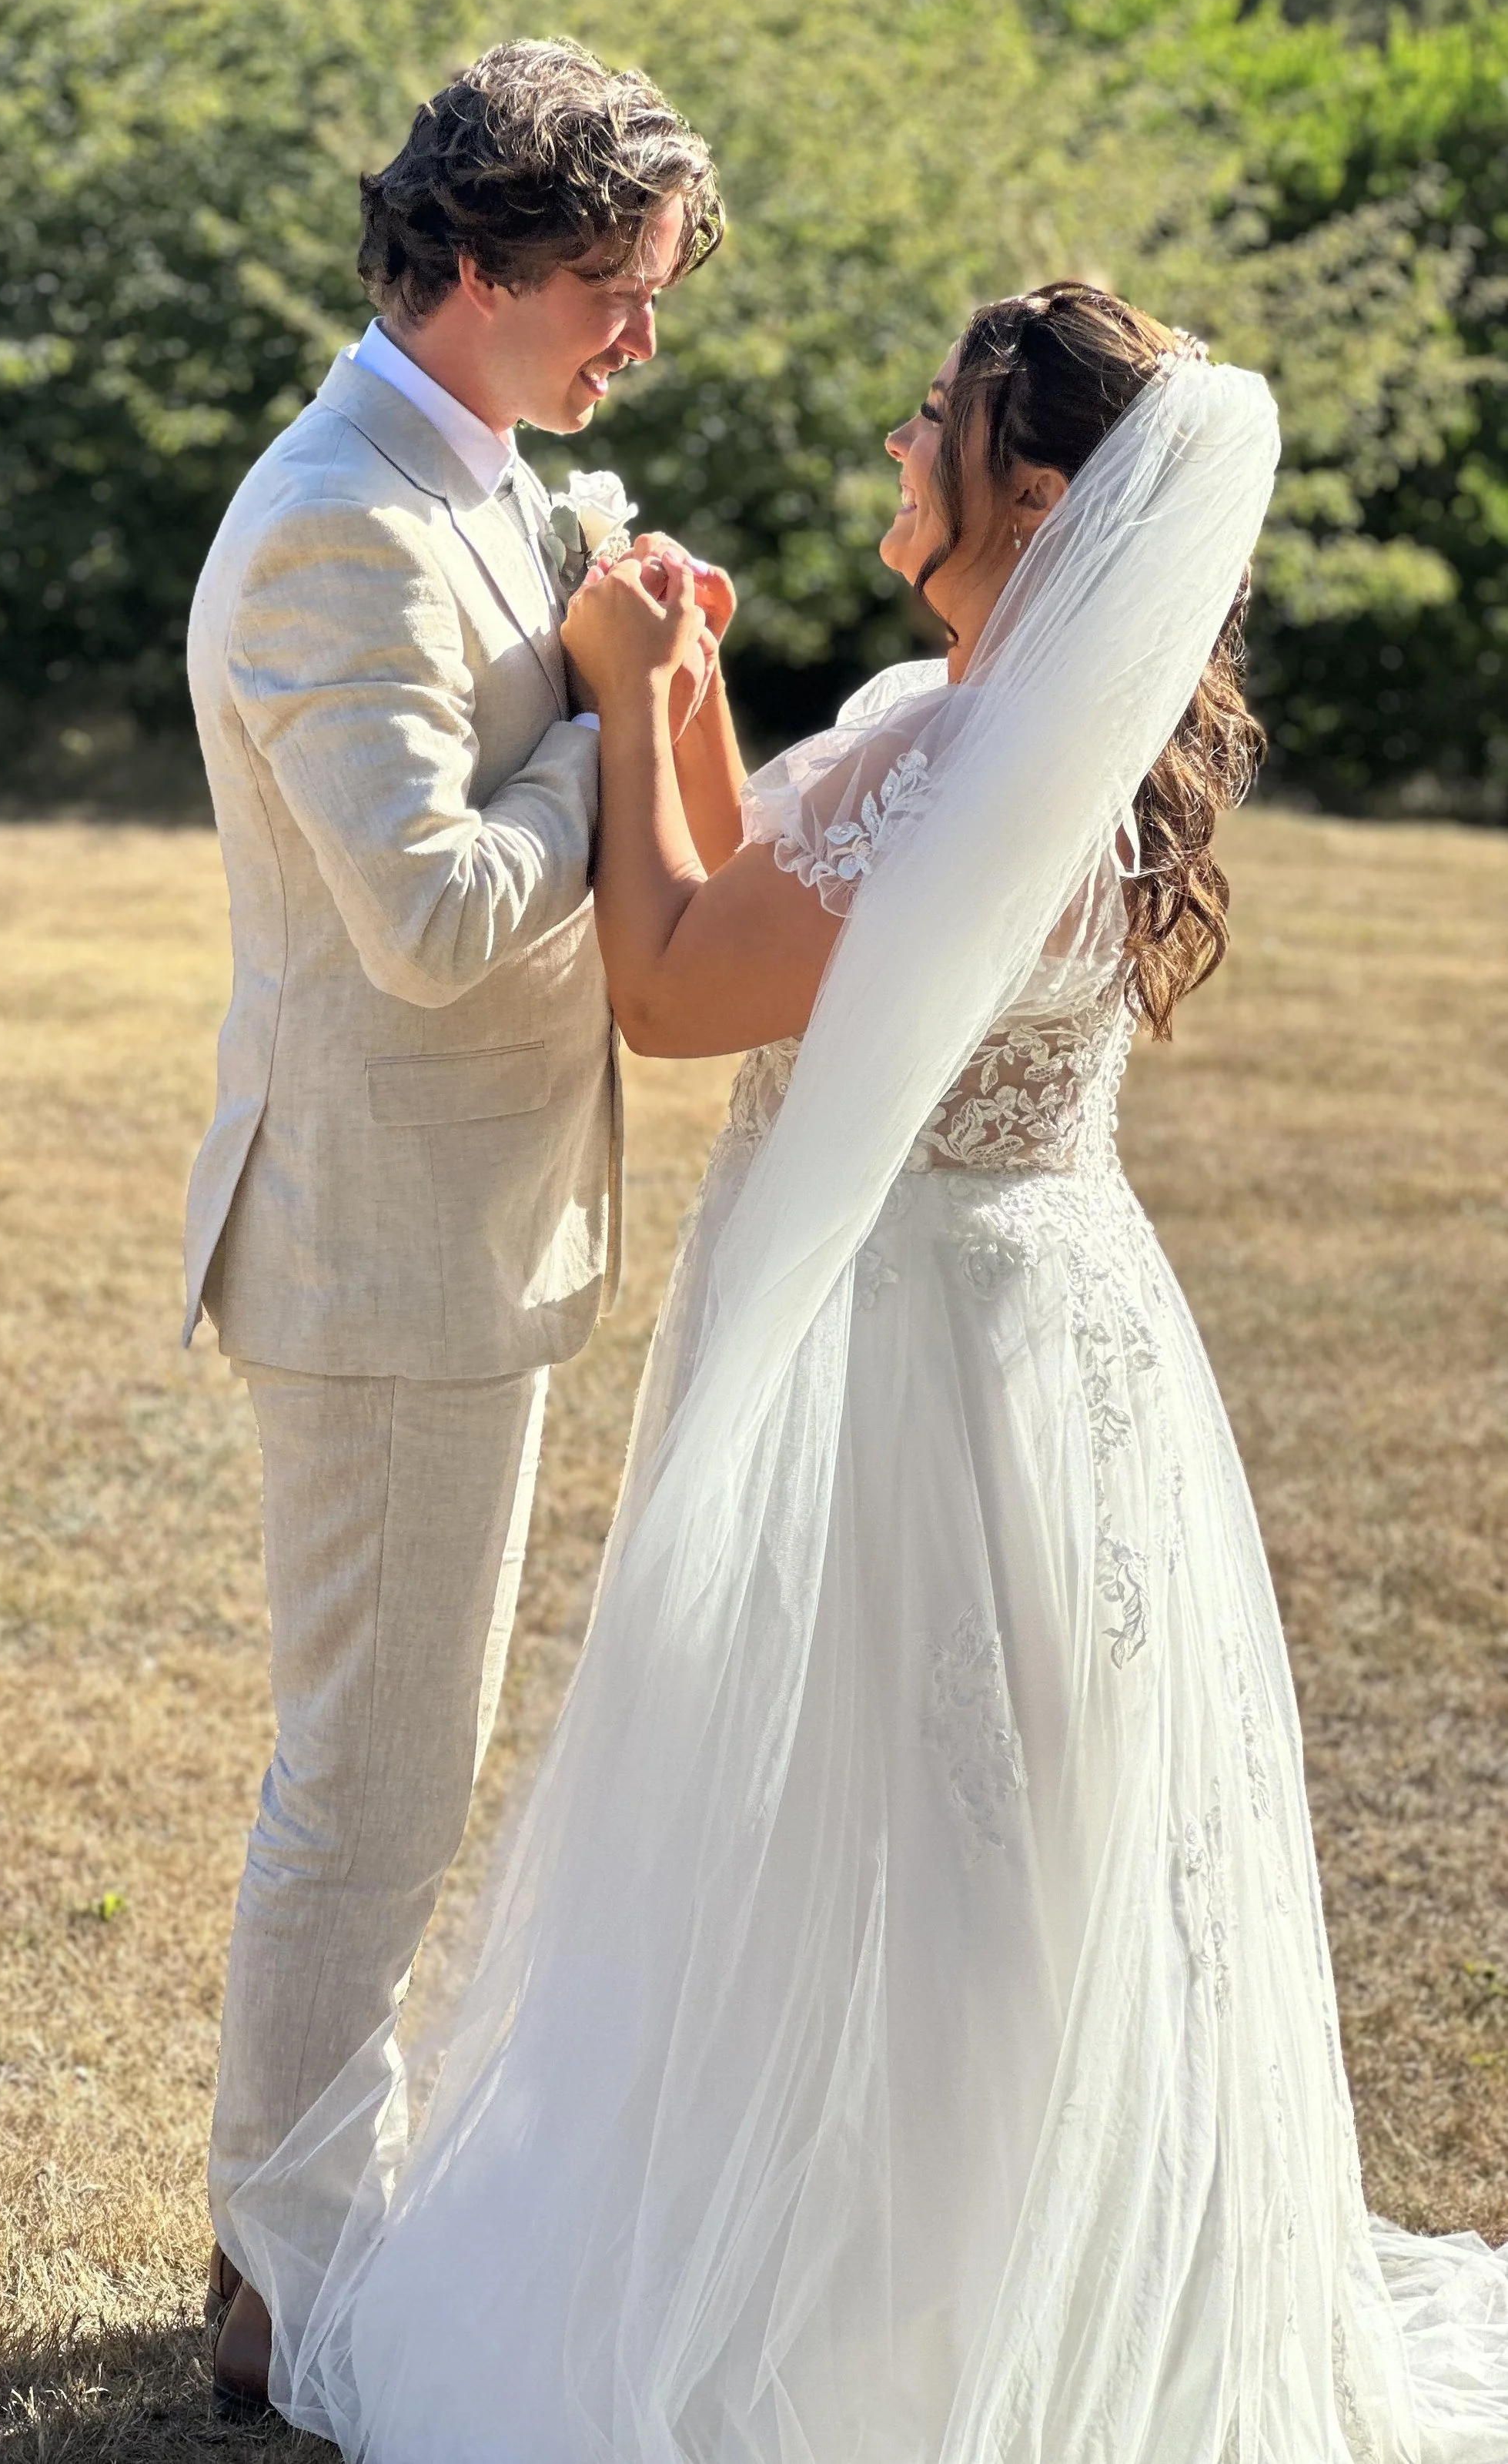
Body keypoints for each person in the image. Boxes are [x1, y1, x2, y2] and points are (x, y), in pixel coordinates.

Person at [226, 283, 1508, 2459]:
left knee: (889, 1829)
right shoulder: (1010, 728)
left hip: (915, 1353)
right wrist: (697, 701)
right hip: (1048, 1325)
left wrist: (622, 701)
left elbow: (668, 979)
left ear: (1026, 490)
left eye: (939, 420)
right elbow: (762, 900)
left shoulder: (951, 747)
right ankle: (991, 2260)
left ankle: (872, 2316)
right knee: (996, 1851)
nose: (900, 443)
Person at [179, 39, 723, 2419]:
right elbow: (421, 914)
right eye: (614, 293)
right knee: (372, 1783)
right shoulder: (333, 520)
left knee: (406, 1756)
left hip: (464, 1229)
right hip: (379, 1246)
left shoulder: (469, 466)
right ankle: (292, 2285)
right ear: (480, 271)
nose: (640, 343)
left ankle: (305, 2233)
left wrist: (617, 634)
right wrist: (604, 718)